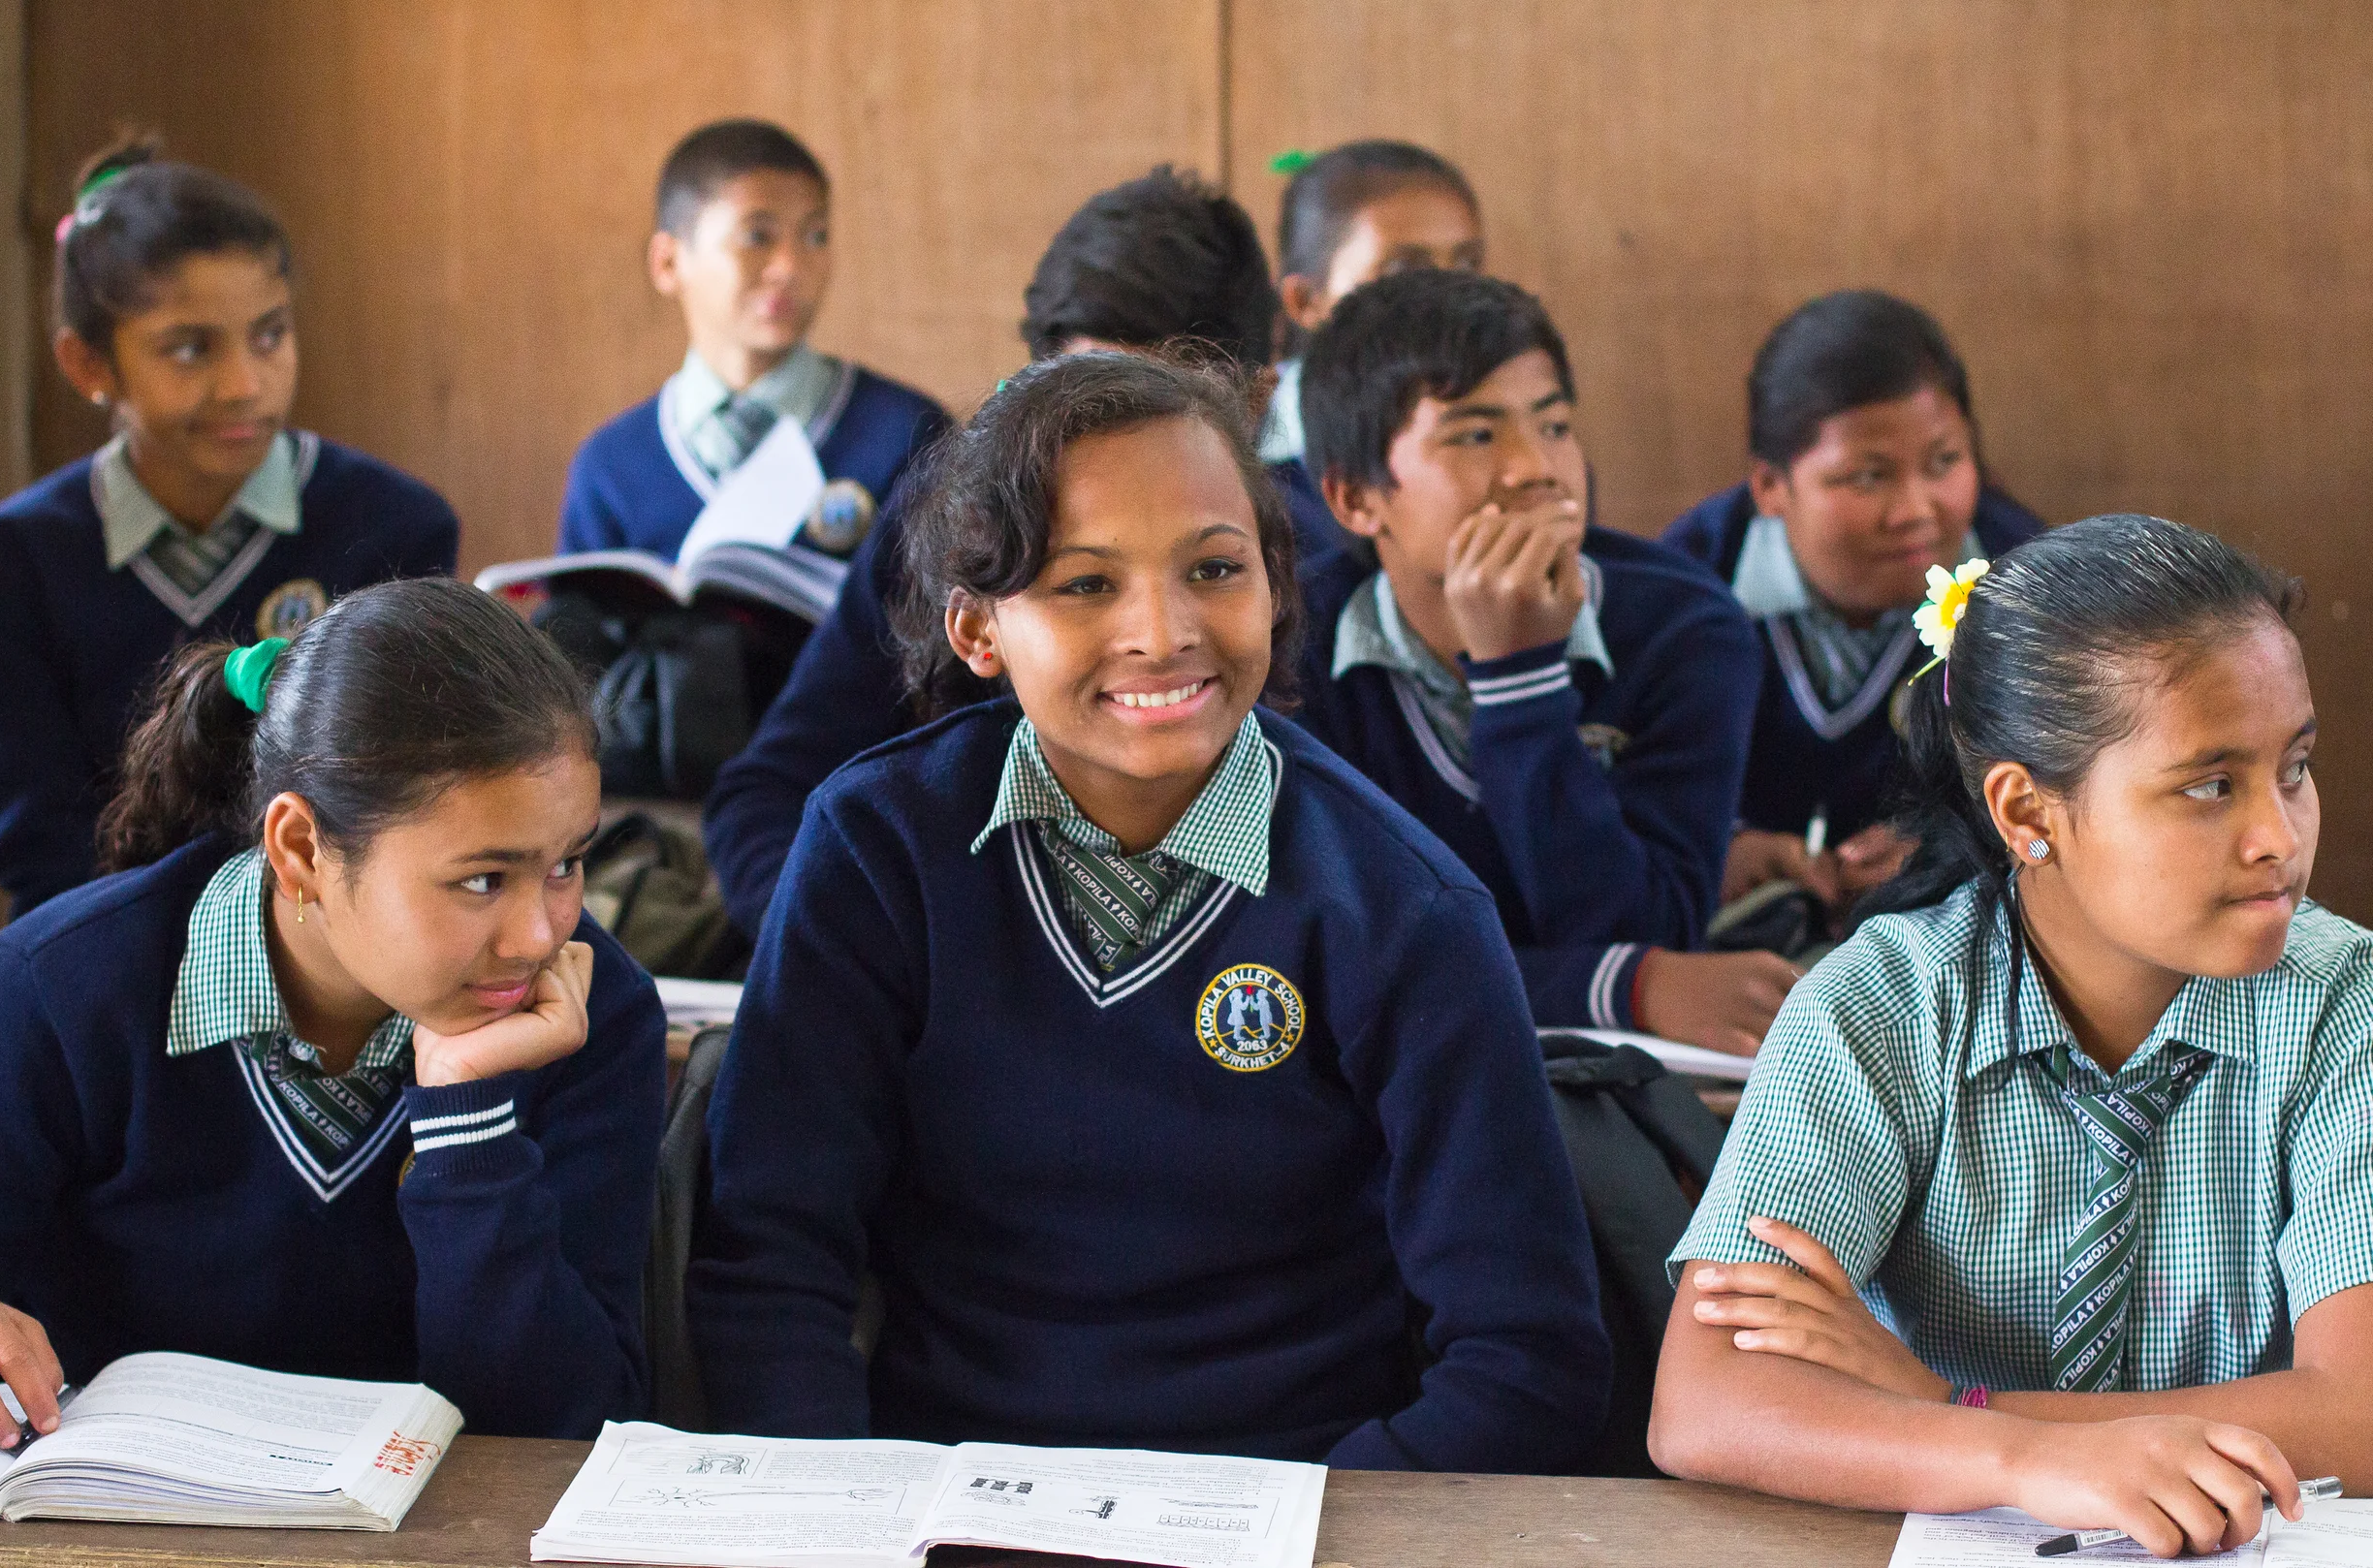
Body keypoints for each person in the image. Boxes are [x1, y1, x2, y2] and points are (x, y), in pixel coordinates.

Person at [688, 353, 1609, 1472]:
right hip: (941, 1499)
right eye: (1086, 585)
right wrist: (842, 1513)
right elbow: (770, 1267)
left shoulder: (1402, 906)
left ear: (1275, 586)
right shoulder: (878, 848)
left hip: (1296, 1504)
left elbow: (1526, 1359)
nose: (1163, 631)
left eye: (1215, 568)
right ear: (977, 629)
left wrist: (1315, 1530)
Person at [1651, 516, 2373, 1556]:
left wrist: (1950, 1406)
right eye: (2211, 786)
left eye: (2295, 767)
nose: (2280, 837)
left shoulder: (2343, 1003)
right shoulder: (1880, 1008)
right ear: (2027, 811)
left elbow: (2359, 1410)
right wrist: (2025, 1461)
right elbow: (1703, 1401)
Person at [0, 579, 666, 1444]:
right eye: (483, 879)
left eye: (566, 866)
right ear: (300, 849)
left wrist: (467, 1126)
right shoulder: (58, 994)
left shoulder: (594, 1014)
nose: (540, 935)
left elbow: (566, 1428)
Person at [702, 166, 1334, 937]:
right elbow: (769, 793)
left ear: (1254, 403)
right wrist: (848, 949)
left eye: (1211, 572)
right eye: (1080, 404)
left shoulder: (1314, 565)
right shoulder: (959, 528)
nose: (1159, 633)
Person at [0, 140, 459, 917]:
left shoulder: (395, 527)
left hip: (331, 944)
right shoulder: (18, 561)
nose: (245, 385)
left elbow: (397, 813)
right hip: (106, 946)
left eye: (270, 335)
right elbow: (42, 849)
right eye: (190, 349)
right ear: (89, 365)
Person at [1297, 270, 1788, 1051]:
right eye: (1475, 435)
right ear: (1356, 499)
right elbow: (1331, 972)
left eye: (1555, 426)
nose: (1539, 468)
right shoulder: (1286, 655)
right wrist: (1624, 989)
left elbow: (1644, 930)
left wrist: (1520, 683)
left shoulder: (1686, 631)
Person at [1661, 290, 2041, 921]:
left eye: (1945, 461)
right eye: (1868, 476)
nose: (1916, 511)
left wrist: (1960, 841)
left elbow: (2070, 785)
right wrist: (1720, 841)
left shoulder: (2026, 581)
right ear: (1770, 485)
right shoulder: (1685, 590)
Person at [557, 118, 950, 562]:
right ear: (668, 263)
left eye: (815, 236)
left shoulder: (906, 434)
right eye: (756, 236)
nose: (790, 267)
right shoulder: (612, 466)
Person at [1259, 141, 1485, 475]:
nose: (1449, 294)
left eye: (1467, 265)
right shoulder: (1250, 454)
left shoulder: (1508, 424)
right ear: (1306, 301)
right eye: (1403, 271)